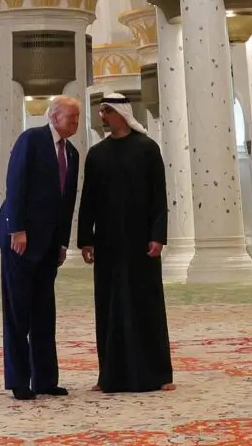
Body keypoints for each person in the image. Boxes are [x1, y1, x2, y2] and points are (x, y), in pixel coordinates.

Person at [77, 93, 175, 394]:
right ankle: (110, 376)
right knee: (109, 305)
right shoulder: (97, 154)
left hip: (141, 242)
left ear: (121, 113)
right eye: (101, 112)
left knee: (146, 303)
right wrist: (86, 240)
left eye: (107, 111)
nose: (103, 117)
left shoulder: (147, 148)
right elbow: (88, 200)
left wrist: (158, 236)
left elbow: (159, 196)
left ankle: (158, 374)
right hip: (108, 242)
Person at [0, 95, 81, 401]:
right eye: (71, 117)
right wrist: (17, 229)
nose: (76, 123)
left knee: (44, 312)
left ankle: (45, 379)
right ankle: (19, 380)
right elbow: (15, 183)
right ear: (54, 117)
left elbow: (67, 202)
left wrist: (63, 242)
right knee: (18, 313)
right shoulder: (32, 139)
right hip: (20, 240)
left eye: (77, 118)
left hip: (49, 245)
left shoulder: (72, 152)